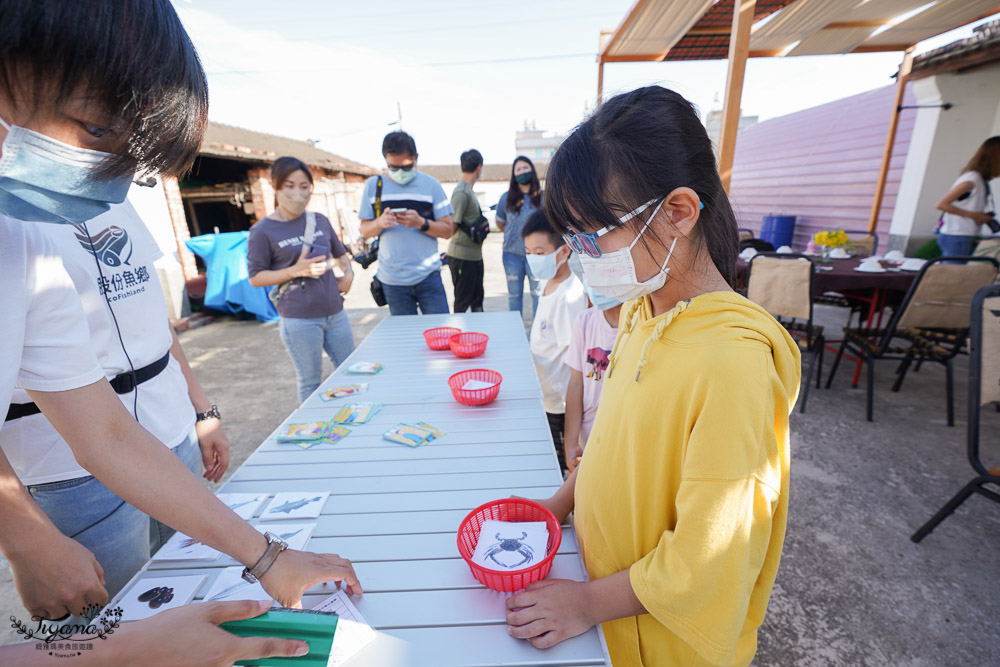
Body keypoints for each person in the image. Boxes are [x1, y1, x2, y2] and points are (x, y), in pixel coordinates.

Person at [0, 0, 359, 633]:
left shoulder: (28, 233)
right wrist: (24, 532)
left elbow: (104, 433)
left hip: (156, 427)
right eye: (97, 131)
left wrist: (268, 556)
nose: (103, 175)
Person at [502, 86, 799, 667]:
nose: (578, 255)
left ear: (679, 212)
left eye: (591, 235)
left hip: (658, 643)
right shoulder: (642, 311)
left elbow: (709, 554)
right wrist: (559, 504)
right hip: (602, 613)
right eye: (572, 238)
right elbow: (612, 447)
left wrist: (587, 603)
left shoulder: (733, 365)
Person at [1, 200, 230, 600]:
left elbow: (154, 316)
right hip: (69, 457)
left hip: (171, 425)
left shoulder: (117, 196)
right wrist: (25, 539)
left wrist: (203, 409)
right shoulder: (14, 220)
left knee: (190, 582)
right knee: (111, 617)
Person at [247, 156, 356, 402]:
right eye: (289, 185)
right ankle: (313, 431)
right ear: (275, 187)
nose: (298, 193)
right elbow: (255, 278)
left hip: (335, 313)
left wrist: (348, 274)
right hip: (299, 319)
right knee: (311, 381)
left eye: (304, 186)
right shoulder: (262, 231)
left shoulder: (320, 220)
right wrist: (295, 270)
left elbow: (341, 255)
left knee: (351, 373)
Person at [358, 131, 454, 316]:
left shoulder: (431, 185)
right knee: (406, 339)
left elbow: (448, 230)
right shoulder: (373, 186)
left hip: (429, 277)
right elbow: (364, 230)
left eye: (406, 166)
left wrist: (421, 223)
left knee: (441, 333)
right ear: (385, 160)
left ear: (416, 158)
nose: (400, 173)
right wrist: (380, 222)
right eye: (393, 167)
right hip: (393, 281)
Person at [522, 210, 588, 471]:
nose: (532, 260)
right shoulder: (547, 282)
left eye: (539, 253)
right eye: (528, 252)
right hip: (545, 391)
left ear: (564, 252)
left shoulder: (569, 298)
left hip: (559, 402)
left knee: (559, 462)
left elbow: (578, 366)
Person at [563, 290, 622, 471]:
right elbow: (576, 382)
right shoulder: (584, 322)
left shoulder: (638, 327)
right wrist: (571, 443)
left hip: (620, 447)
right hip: (587, 442)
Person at [935, 136, 1000, 258]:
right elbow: (942, 204)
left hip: (961, 235)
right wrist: (975, 216)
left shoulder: (978, 179)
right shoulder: (972, 179)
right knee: (954, 275)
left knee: (956, 274)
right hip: (957, 236)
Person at [497, 156, 543, 318]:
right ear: (514, 174)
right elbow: (500, 222)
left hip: (537, 255)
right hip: (512, 255)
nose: (522, 172)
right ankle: (515, 330)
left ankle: (539, 334)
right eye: (519, 169)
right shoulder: (506, 198)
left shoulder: (543, 197)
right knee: (514, 295)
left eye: (525, 168)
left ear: (532, 170)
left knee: (538, 294)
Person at [447, 149, 486, 313]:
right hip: (462, 257)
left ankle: (476, 336)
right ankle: (460, 337)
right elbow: (451, 227)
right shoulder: (461, 192)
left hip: (474, 256)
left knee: (477, 302)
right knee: (462, 304)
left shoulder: (468, 190)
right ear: (479, 167)